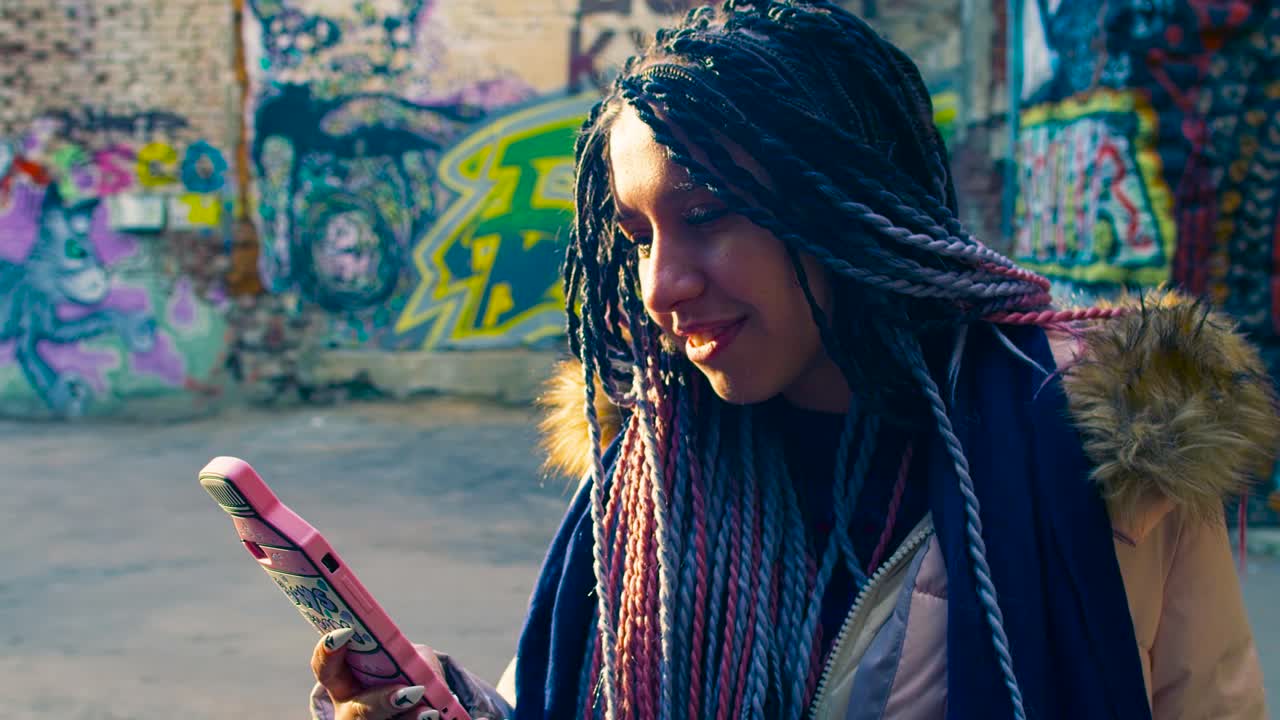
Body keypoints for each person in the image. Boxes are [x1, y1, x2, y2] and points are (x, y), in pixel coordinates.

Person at [308, 1, 1277, 718]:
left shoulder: (1103, 448)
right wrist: (442, 707)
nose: (661, 286)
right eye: (639, 237)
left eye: (705, 214)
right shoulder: (644, 468)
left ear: (847, 206)